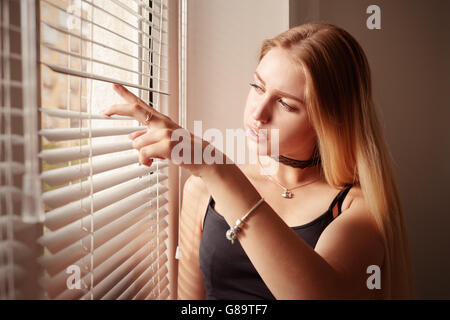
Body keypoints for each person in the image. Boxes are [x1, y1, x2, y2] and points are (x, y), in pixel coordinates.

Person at [102, 23, 415, 299]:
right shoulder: (203, 189)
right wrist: (214, 173)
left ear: (330, 121)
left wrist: (217, 168)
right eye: (257, 87)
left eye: (285, 103)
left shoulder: (359, 209)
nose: (257, 113)